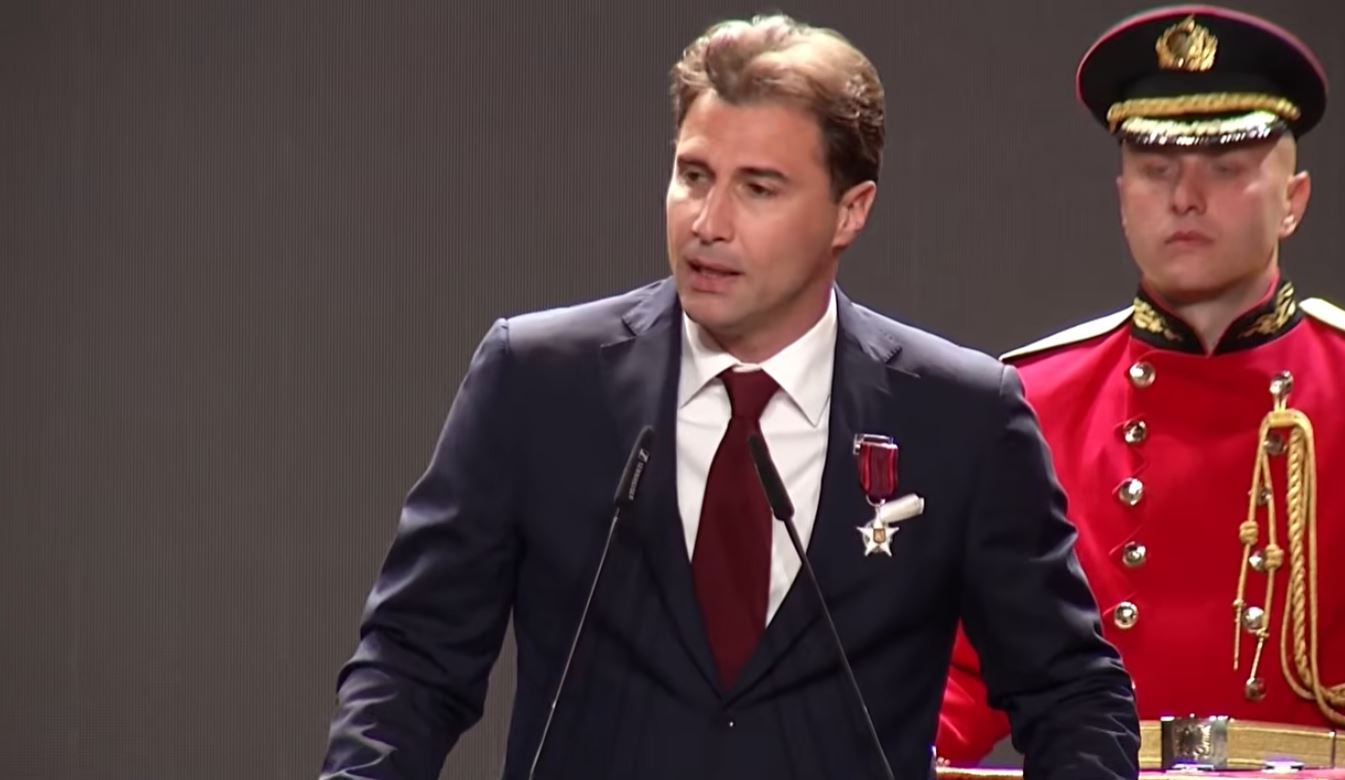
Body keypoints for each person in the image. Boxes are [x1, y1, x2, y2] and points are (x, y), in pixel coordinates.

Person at [321, 14, 1138, 780]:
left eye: (758, 188)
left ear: (850, 212)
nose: (707, 223)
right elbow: (412, 661)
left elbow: (1071, 693)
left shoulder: (959, 418)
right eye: (693, 176)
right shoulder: (539, 382)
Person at [938, 5, 1345, 770]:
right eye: (1156, 170)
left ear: (1291, 201)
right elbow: (959, 673)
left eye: (1224, 167)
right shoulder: (1030, 399)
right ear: (1122, 195)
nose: (1184, 197)